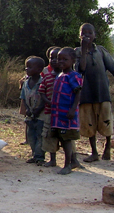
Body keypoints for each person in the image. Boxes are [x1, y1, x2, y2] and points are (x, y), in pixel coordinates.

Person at [75, 23, 114, 162]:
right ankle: (94, 152)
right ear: (79, 36)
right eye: (83, 33)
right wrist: (84, 50)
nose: (86, 35)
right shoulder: (77, 52)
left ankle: (108, 146)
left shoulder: (101, 51)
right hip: (86, 94)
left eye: (89, 33)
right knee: (89, 123)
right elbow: (81, 70)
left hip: (102, 92)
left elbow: (112, 67)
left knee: (106, 120)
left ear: (94, 35)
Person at [51, 47, 83, 175]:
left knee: (67, 139)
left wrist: (73, 109)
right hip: (58, 114)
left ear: (73, 60)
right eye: (59, 59)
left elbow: (78, 92)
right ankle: (72, 161)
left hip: (67, 114)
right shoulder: (60, 74)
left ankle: (68, 164)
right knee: (63, 139)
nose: (61, 61)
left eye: (65, 59)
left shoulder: (73, 76)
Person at [20, 56, 46, 165]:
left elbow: (44, 99)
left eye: (30, 67)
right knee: (31, 136)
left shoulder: (43, 82)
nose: (27, 69)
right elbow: (24, 98)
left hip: (40, 114)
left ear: (39, 69)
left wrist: (38, 110)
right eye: (26, 67)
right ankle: (34, 154)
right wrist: (27, 109)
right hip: (30, 114)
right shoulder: (25, 83)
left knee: (40, 136)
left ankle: (40, 157)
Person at [38, 46, 62, 167]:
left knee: (67, 137)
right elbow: (42, 91)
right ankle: (52, 159)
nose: (53, 60)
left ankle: (72, 159)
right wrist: (48, 102)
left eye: (57, 58)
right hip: (50, 111)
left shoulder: (68, 75)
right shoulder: (46, 75)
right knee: (49, 135)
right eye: (51, 58)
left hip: (64, 113)